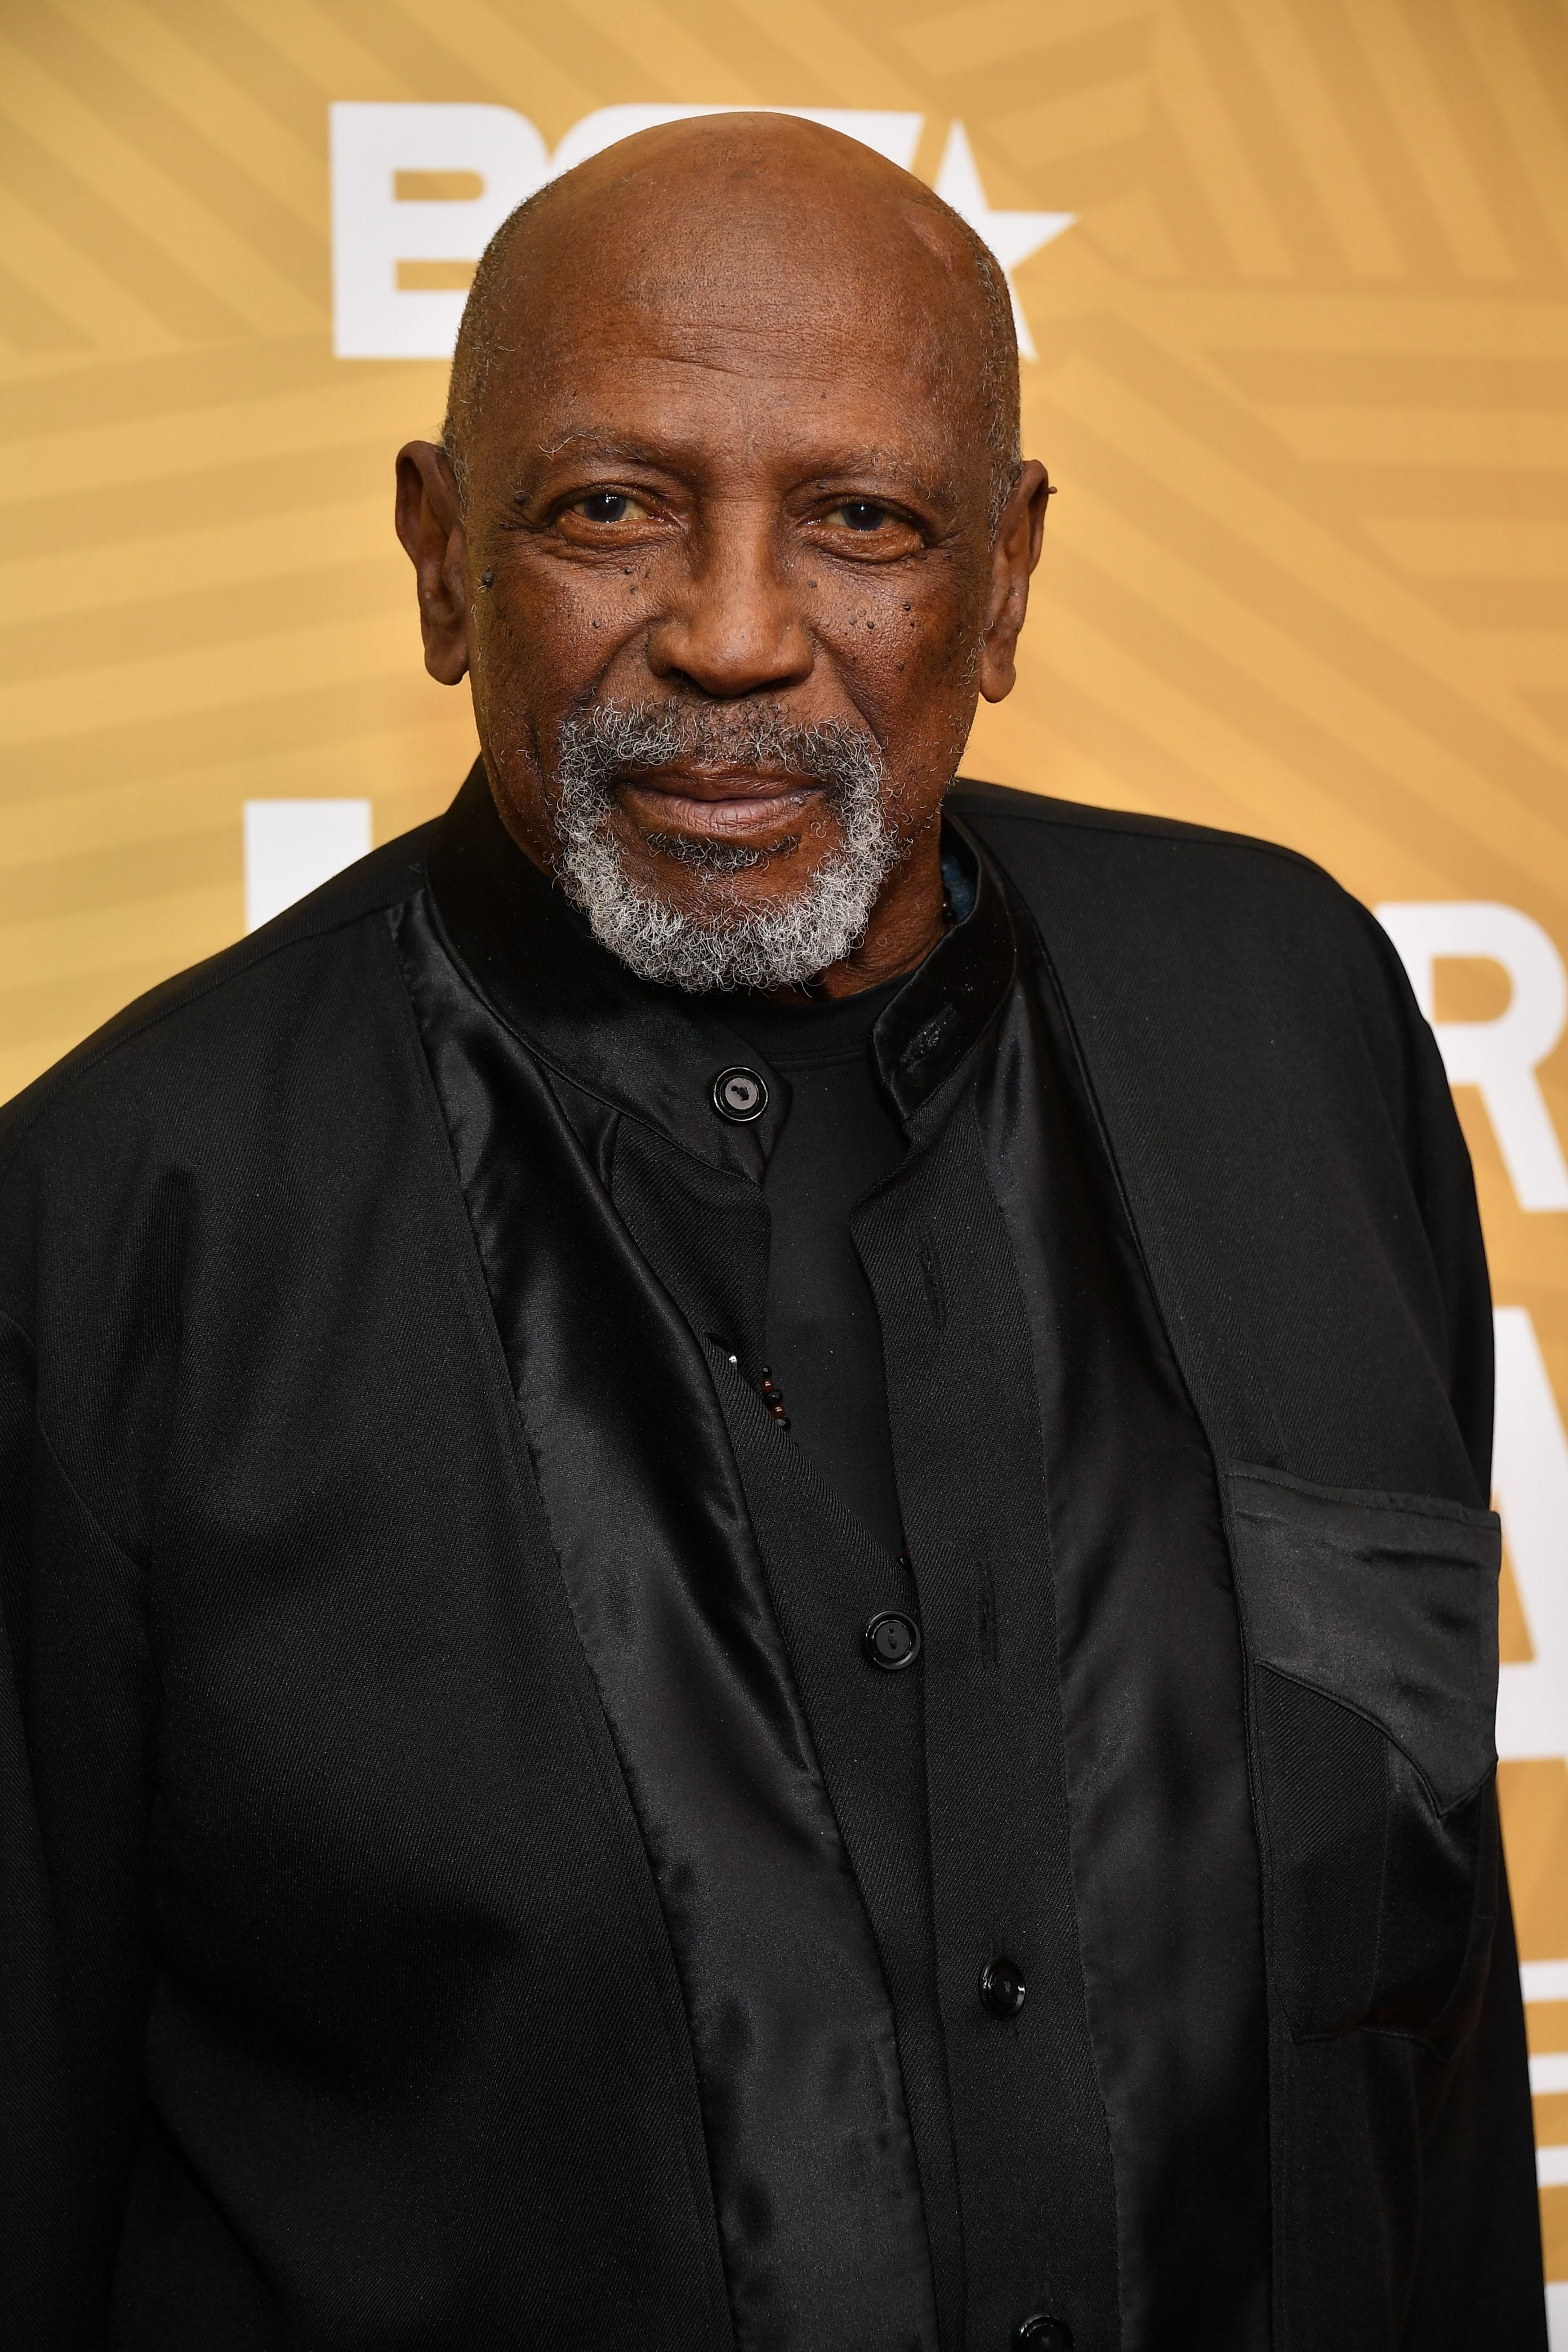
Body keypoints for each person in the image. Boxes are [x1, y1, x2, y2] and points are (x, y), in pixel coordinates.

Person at [0, 113, 1543, 2352]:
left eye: (863, 521)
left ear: (1004, 580)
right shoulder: (116, 1226)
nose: (732, 638)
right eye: (613, 507)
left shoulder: (1289, 1028)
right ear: (441, 559)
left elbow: (1435, 2031)